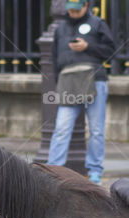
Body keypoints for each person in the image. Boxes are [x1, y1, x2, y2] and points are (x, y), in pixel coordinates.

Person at [46, 0, 115, 184]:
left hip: (94, 78)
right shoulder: (60, 29)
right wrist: (57, 83)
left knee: (97, 130)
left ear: (86, 6)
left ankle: (95, 172)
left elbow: (111, 50)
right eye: (71, 10)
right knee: (61, 128)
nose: (73, 13)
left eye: (77, 10)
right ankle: (53, 169)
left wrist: (88, 47)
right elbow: (54, 58)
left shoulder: (98, 23)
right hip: (68, 80)